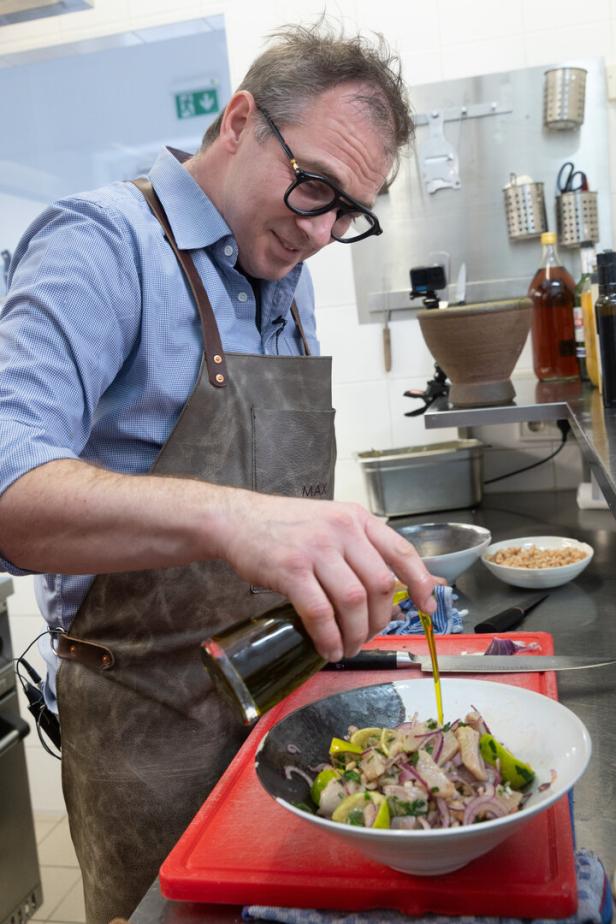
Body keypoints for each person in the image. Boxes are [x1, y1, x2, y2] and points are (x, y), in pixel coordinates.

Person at [0, 20, 438, 924]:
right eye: (315, 187)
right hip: (145, 724)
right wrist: (231, 518)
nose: (322, 231)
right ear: (239, 120)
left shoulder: (287, 267)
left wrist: (337, 551)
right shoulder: (100, 245)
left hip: (285, 694)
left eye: (350, 211)